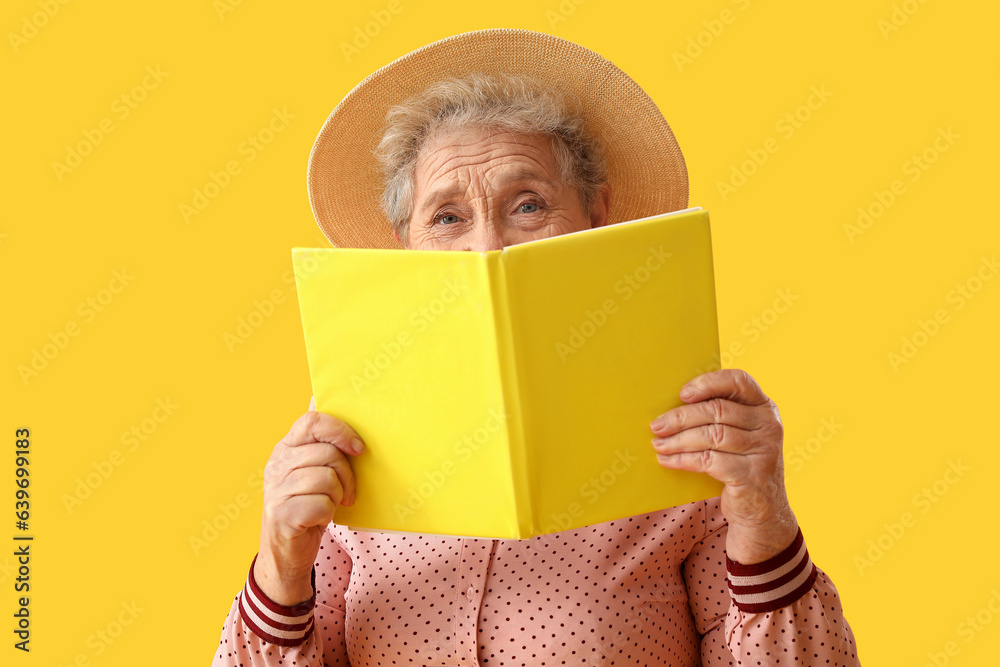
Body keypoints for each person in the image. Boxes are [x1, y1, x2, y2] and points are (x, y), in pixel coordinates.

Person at [212, 29, 860, 666]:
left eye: (527, 205)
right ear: (403, 245)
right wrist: (279, 561)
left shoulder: (695, 436)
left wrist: (763, 517)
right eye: (446, 217)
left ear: (596, 217)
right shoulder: (349, 433)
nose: (488, 248)